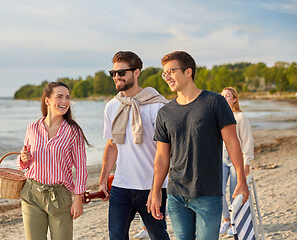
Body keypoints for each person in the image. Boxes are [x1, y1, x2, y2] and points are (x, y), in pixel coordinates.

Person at [148, 51, 249, 240]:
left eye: (171, 71)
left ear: (188, 72)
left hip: (208, 193)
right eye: (164, 73)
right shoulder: (165, 112)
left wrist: (241, 179)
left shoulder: (214, 102)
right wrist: (155, 192)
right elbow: (161, 156)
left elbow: (233, 142)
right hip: (176, 195)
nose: (167, 77)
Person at [99, 51, 170, 240]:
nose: (116, 77)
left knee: (158, 236)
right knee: (116, 237)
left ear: (137, 72)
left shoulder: (158, 106)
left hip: (151, 187)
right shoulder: (112, 106)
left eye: (121, 73)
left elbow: (167, 152)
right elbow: (112, 145)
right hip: (121, 186)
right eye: (113, 73)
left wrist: (156, 189)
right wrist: (103, 178)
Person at [17, 81, 89, 240]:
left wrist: (78, 197)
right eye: (60, 97)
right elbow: (24, 161)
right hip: (31, 194)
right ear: (47, 100)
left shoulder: (73, 131)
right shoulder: (32, 128)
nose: (65, 101)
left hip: (60, 196)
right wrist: (23, 158)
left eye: (67, 97)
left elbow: (81, 168)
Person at [219, 87, 254, 236]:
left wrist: (247, 162)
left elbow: (247, 141)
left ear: (234, 99)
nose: (225, 98)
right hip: (220, 160)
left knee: (235, 194)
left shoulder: (241, 117)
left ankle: (235, 223)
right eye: (223, 96)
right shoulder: (218, 116)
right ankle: (226, 220)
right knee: (218, 192)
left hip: (235, 161)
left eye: (228, 96)